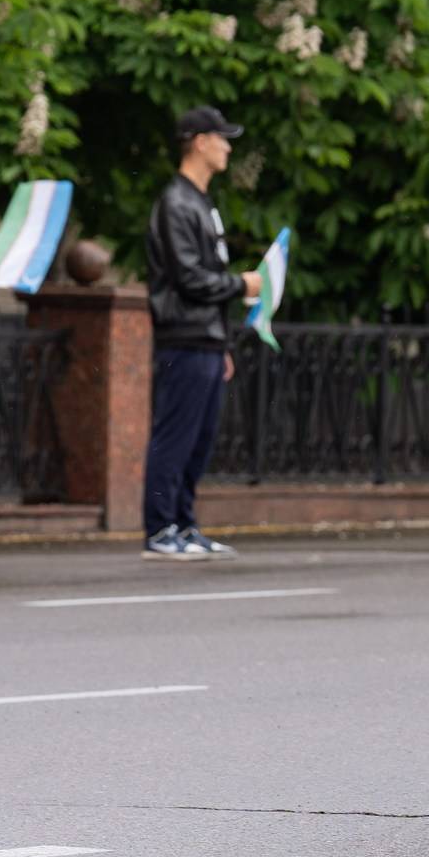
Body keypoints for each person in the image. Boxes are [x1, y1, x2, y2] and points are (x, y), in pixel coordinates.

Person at [143, 105, 259, 562]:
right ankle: (159, 530)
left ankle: (185, 525)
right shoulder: (176, 203)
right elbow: (189, 278)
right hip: (183, 337)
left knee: (199, 438)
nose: (228, 147)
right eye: (221, 138)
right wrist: (242, 285)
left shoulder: (201, 202)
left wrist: (223, 343)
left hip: (205, 338)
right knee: (175, 436)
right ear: (199, 141)